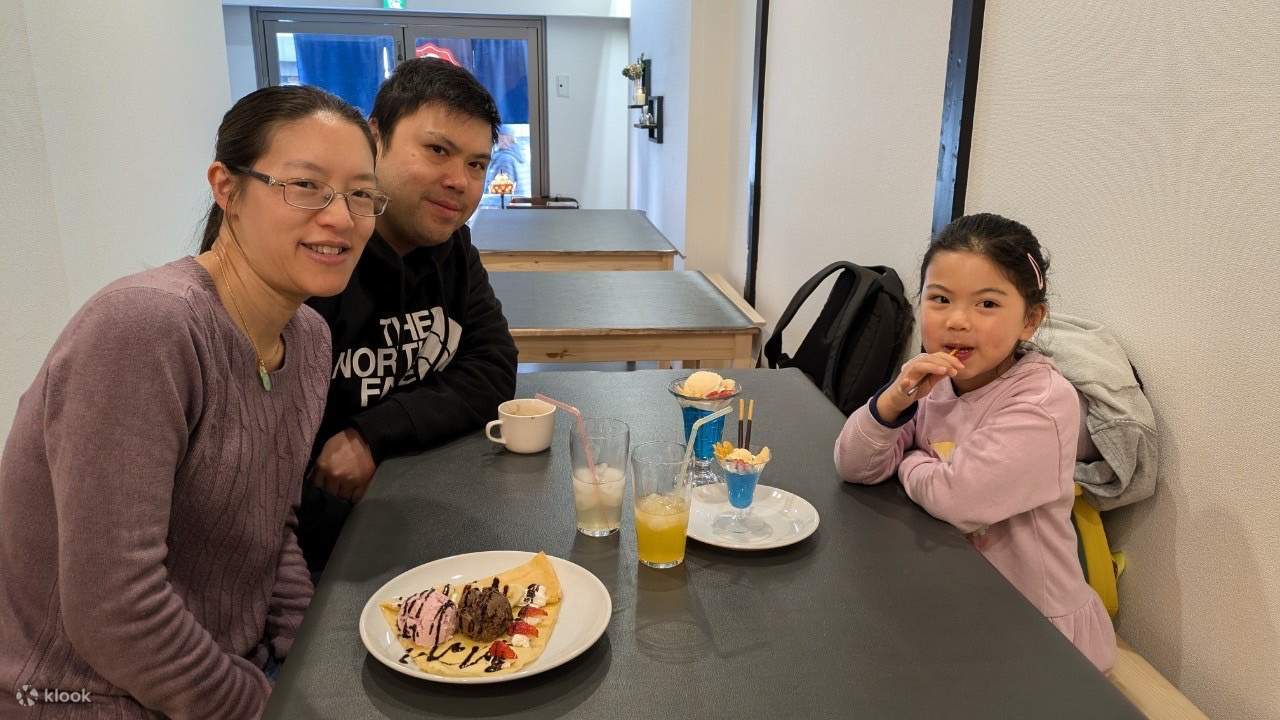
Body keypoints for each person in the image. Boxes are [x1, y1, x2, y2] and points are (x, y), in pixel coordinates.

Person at [0, 85, 383, 717]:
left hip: (231, 669)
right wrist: (263, 705)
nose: (341, 217)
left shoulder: (309, 338)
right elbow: (114, 611)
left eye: (361, 194)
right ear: (227, 189)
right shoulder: (145, 329)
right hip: (87, 697)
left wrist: (314, 651)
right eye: (305, 185)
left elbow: (274, 529)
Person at [833, 213, 1116, 672]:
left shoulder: (1042, 402)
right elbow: (853, 464)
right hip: (955, 604)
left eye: (987, 304)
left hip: (1038, 637)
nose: (958, 321)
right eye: (940, 299)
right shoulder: (937, 377)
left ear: (1030, 320)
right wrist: (893, 399)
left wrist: (908, 461)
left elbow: (956, 498)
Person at [301, 58, 518, 573]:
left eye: (476, 164)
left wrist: (370, 433)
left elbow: (492, 368)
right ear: (375, 139)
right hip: (320, 553)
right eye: (438, 150)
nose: (460, 182)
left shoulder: (453, 248)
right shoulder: (318, 254)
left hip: (430, 516)